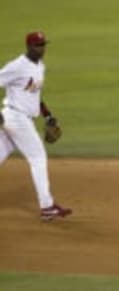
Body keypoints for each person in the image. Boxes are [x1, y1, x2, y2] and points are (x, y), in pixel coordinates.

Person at [0, 31, 72, 220]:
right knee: (38, 156)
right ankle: (47, 207)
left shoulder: (40, 66)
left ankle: (47, 207)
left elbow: (35, 96)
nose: (42, 49)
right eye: (38, 46)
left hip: (19, 117)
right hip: (15, 117)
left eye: (43, 45)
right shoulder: (16, 67)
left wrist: (48, 115)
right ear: (29, 47)